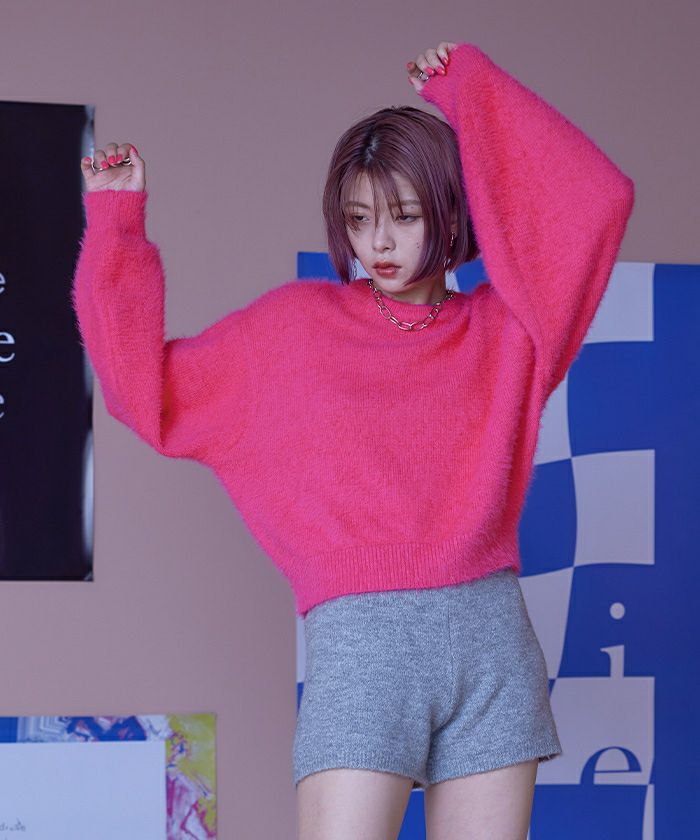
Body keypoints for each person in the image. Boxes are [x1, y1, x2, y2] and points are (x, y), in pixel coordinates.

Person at [74, 39, 635, 840]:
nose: (380, 244)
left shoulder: (512, 331)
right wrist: (117, 228)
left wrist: (472, 91)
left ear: (453, 213)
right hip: (361, 648)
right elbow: (146, 395)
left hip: (490, 644)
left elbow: (597, 202)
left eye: (405, 216)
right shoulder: (294, 330)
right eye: (360, 219)